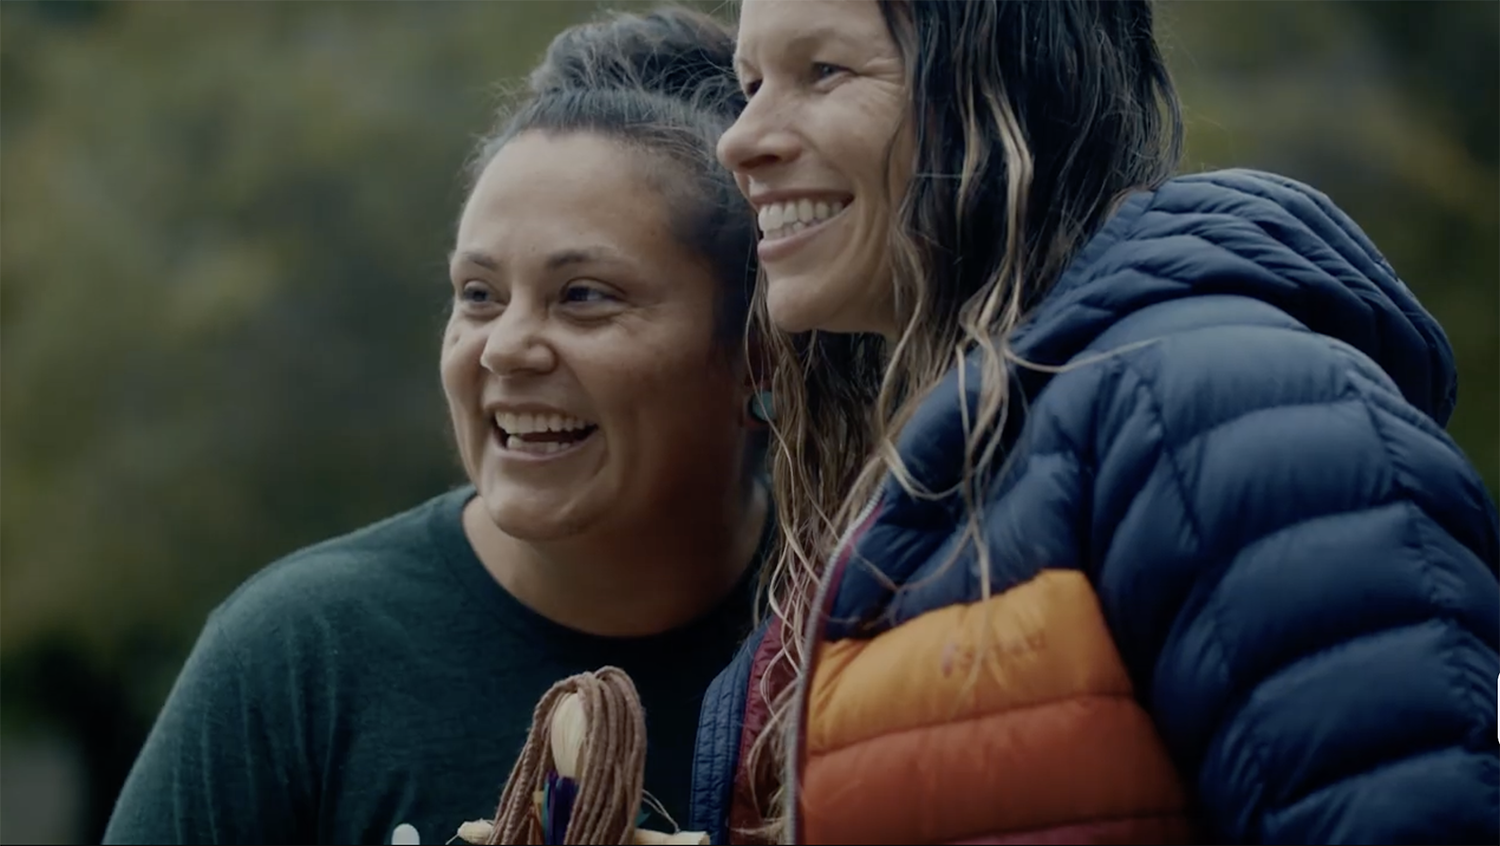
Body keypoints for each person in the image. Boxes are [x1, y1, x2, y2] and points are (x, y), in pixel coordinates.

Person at [689, 0, 1500, 843]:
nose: (740, 139)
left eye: (824, 72)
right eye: (750, 84)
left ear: (1015, 82)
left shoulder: (1226, 411)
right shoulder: (951, 465)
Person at [103, 7, 771, 844]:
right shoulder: (299, 658)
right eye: (479, 295)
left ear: (758, 352)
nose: (504, 350)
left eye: (584, 296)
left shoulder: (854, 637)